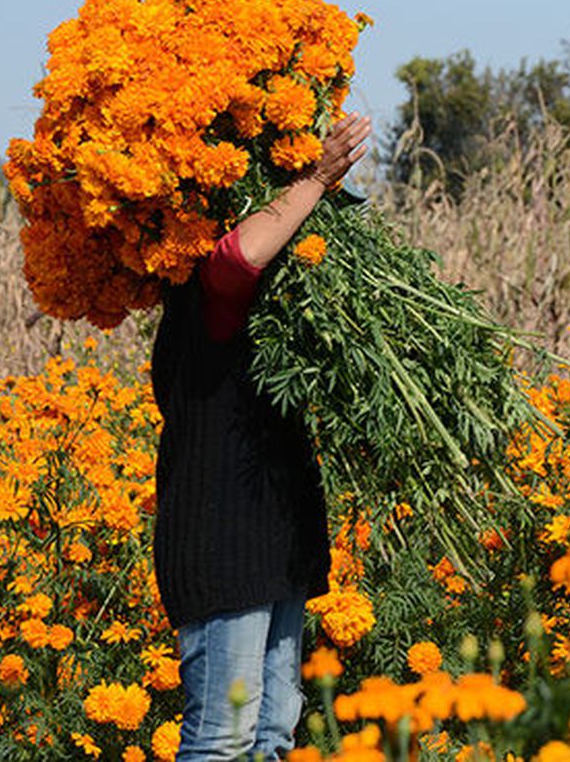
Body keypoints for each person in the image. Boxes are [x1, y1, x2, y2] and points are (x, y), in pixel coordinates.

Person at [151, 113, 373, 761]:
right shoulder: (202, 292)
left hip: (275, 548)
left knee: (272, 736)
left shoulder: (271, 312)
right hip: (224, 550)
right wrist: (317, 176)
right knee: (222, 739)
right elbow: (236, 259)